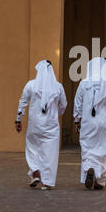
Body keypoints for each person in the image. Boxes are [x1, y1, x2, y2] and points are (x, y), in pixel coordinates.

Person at [15, 60, 67, 190]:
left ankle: (36, 171)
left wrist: (18, 119)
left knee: (32, 149)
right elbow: (63, 105)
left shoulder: (31, 85)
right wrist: (57, 112)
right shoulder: (58, 87)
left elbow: (22, 102)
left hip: (35, 125)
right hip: (51, 126)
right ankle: (47, 182)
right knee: (50, 154)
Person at [73, 57, 106, 190]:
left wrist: (77, 120)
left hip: (88, 122)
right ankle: (98, 180)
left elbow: (78, 103)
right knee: (102, 149)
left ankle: (90, 168)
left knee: (87, 148)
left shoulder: (83, 83)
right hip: (104, 123)